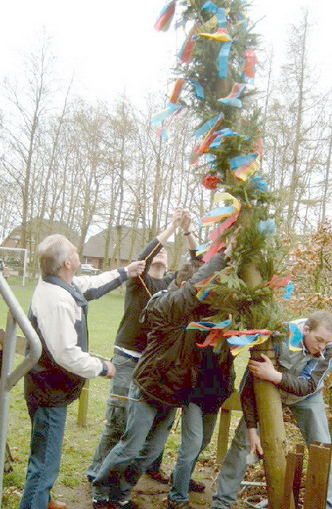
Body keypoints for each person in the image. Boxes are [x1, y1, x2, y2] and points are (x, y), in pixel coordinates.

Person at [92, 245, 235, 509]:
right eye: (201, 290)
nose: (203, 296)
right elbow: (192, 290)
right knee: (130, 447)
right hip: (148, 389)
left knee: (150, 452)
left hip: (173, 394)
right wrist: (223, 256)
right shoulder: (165, 304)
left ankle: (121, 494)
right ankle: (101, 492)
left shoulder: (200, 313)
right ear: (183, 285)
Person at [19, 234, 145, 509]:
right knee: (45, 462)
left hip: (49, 387)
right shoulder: (57, 300)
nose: (79, 255)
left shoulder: (64, 285)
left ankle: (44, 498)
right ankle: (36, 500)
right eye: (75, 252)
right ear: (67, 262)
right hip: (48, 391)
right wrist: (101, 367)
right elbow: (67, 354)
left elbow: (91, 285)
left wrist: (126, 272)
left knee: (43, 452)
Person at [87, 208, 200, 487]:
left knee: (153, 421)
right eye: (158, 253)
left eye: (165, 252)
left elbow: (200, 262)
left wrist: (187, 231)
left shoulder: (173, 286)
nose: (161, 254)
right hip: (128, 357)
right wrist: (172, 227)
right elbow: (143, 256)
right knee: (119, 419)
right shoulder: (139, 279)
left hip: (155, 363)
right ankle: (97, 470)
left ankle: (149, 468)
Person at [211, 310, 332, 509]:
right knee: (244, 442)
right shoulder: (279, 336)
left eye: (327, 342)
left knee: (321, 444)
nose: (322, 347)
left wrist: (274, 375)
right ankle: (222, 501)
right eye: (318, 340)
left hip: (306, 396)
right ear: (306, 330)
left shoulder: (330, 348)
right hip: (272, 392)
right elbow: (249, 385)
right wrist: (253, 429)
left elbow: (308, 385)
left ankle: (329, 505)